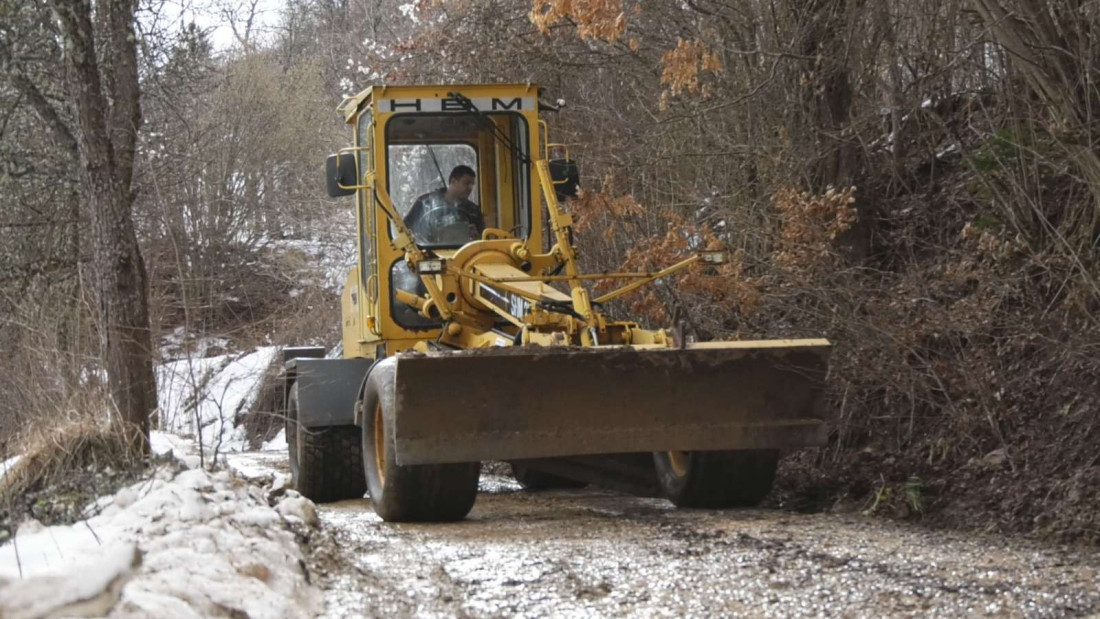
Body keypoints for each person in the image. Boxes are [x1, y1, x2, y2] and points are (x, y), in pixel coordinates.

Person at [403, 165, 485, 245]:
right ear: (453, 182)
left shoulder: (473, 211)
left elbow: (483, 238)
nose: (470, 188)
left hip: (464, 255)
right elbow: (406, 229)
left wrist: (476, 236)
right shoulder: (425, 203)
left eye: (472, 184)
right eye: (466, 183)